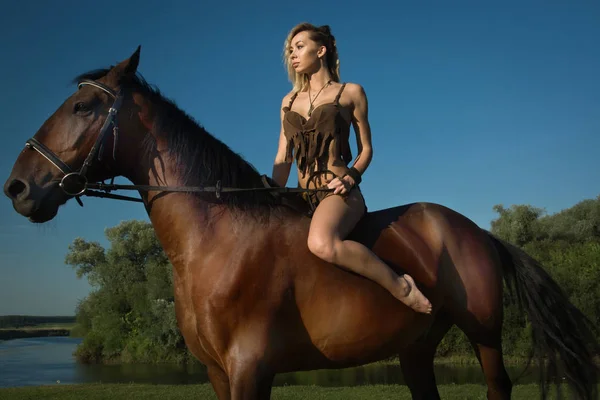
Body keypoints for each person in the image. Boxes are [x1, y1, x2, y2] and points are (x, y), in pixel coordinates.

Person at [272, 22, 432, 314]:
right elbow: (283, 158)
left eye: (299, 47)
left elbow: (366, 150)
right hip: (301, 195)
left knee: (322, 243)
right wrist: (272, 195)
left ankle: (402, 287)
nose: (292, 55)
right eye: (290, 50)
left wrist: (351, 178)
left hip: (339, 193)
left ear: (320, 50)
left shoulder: (351, 92)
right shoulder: (288, 101)